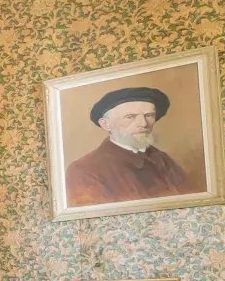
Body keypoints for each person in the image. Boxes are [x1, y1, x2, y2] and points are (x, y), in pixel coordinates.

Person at [64, 86, 196, 207]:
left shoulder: (163, 160)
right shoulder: (84, 170)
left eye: (149, 115)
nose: (143, 123)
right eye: (130, 117)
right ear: (106, 124)